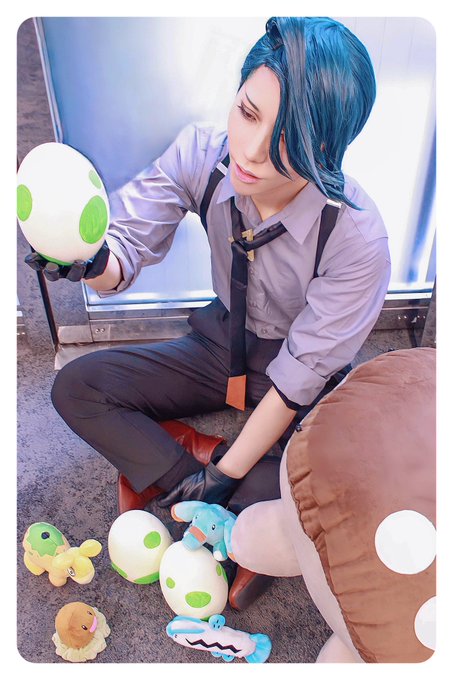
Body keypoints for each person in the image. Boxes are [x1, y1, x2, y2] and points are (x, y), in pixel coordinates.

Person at [28, 17, 391, 609]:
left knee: (342, 482)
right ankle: (202, 495)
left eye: (285, 137)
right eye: (247, 112)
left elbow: (298, 380)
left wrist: (224, 474)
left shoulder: (356, 237)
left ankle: (199, 477)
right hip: (223, 342)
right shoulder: (203, 154)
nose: (250, 150)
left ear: (325, 147)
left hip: (301, 376)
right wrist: (88, 260)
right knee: (77, 388)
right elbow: (125, 252)